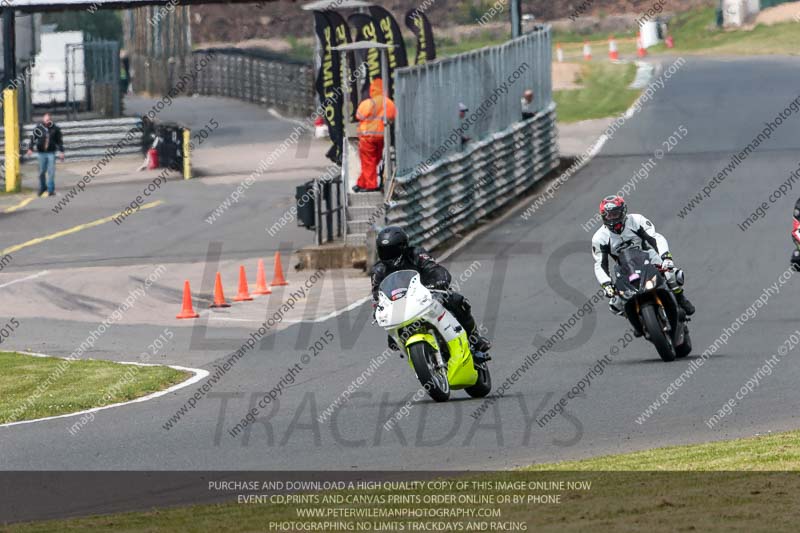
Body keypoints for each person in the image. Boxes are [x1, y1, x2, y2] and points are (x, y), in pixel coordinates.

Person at [371, 226, 492, 355]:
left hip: (429, 295)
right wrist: (378, 308)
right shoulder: (378, 270)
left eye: (392, 251)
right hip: (402, 307)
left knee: (458, 301)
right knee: (393, 340)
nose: (388, 255)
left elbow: (434, 268)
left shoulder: (416, 254)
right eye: (384, 251)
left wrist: (439, 282)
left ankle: (474, 338)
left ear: (403, 247)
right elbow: (378, 294)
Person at [591, 195, 695, 320]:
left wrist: (666, 257)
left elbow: (655, 238)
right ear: (603, 216)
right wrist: (606, 284)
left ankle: (680, 297)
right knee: (615, 304)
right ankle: (636, 318)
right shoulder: (599, 238)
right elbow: (600, 264)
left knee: (671, 274)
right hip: (624, 267)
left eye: (615, 214)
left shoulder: (636, 220)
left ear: (623, 212)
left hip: (648, 256)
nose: (612, 218)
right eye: (609, 215)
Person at [354, 78, 396, 193]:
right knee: (373, 162)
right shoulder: (389, 103)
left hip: (367, 137)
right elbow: (392, 117)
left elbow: (359, 115)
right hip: (381, 137)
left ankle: (370, 186)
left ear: (372, 90)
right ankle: (361, 183)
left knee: (368, 162)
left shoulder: (368, 103)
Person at [26, 113, 65, 197]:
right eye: (46, 120)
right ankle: (43, 187)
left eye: (49, 120)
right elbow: (33, 139)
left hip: (51, 152)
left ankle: (51, 190)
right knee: (41, 172)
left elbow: (59, 141)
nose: (47, 121)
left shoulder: (55, 129)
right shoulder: (39, 128)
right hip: (41, 153)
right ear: (43, 120)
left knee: (51, 172)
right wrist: (30, 148)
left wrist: (61, 152)